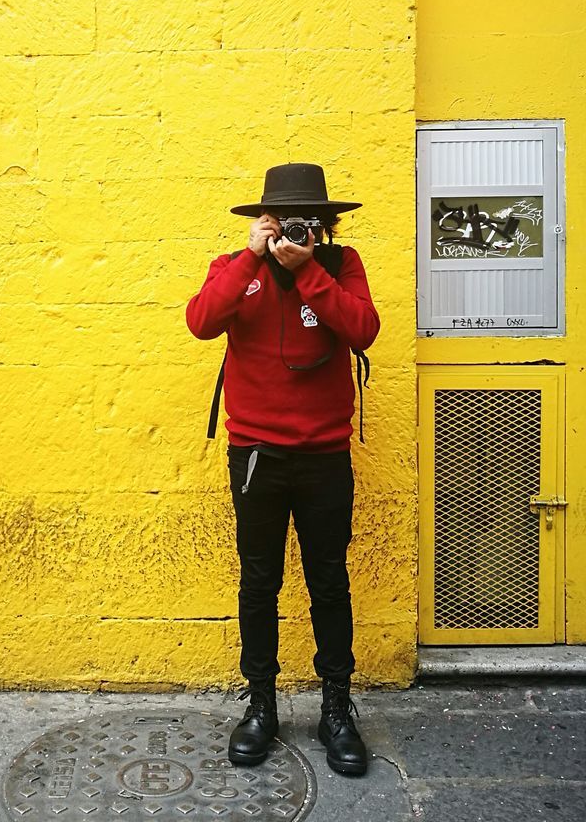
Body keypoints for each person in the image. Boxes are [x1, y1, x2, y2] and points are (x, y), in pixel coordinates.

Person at [185, 163, 380, 777]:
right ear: (263, 224)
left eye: (311, 223)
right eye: (285, 223)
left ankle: (336, 709)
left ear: (327, 225)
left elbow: (364, 331)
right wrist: (251, 259)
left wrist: (309, 271)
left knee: (328, 580)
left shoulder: (341, 267)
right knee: (259, 580)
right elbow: (200, 322)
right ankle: (262, 705)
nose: (297, 232)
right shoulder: (234, 267)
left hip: (324, 456)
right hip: (256, 456)